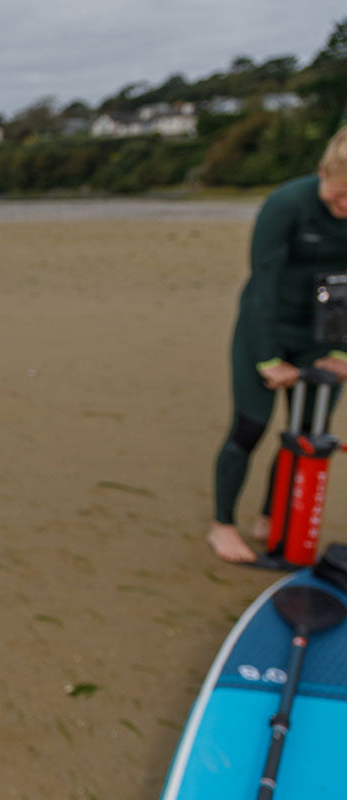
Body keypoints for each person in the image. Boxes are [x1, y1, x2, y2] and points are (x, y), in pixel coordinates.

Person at [208, 127, 347, 563]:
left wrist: (341, 351)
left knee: (305, 435)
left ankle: (271, 517)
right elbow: (263, 284)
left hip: (321, 334)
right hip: (265, 328)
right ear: (323, 171)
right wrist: (268, 360)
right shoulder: (286, 206)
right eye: (341, 196)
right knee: (250, 427)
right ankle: (222, 525)